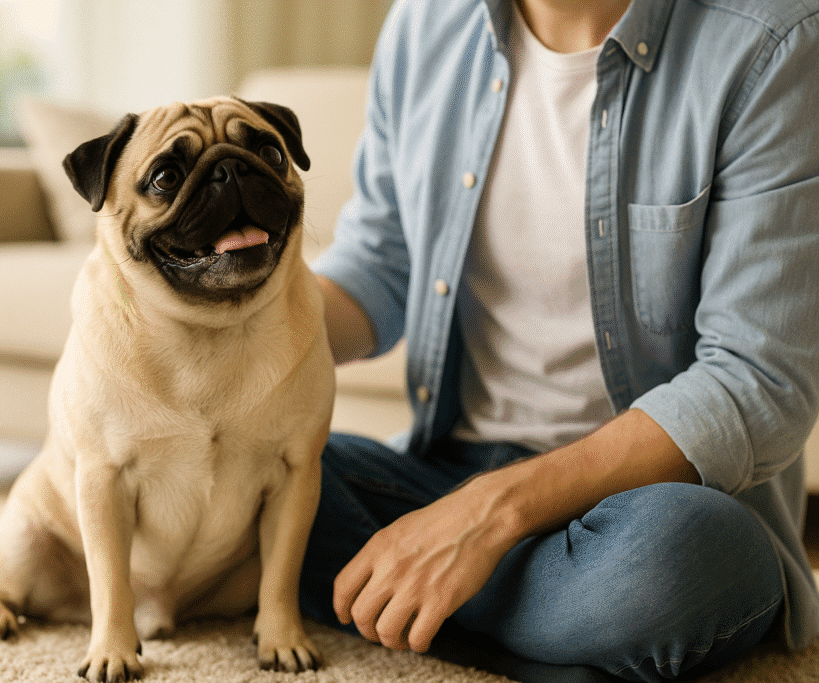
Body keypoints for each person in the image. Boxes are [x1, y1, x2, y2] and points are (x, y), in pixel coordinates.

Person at [298, 0, 819, 681]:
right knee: (250, 483)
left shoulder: (774, 39)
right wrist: (224, 324)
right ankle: (553, 645)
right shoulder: (425, 22)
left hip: (644, 508)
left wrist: (489, 515)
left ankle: (413, 606)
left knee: (682, 564)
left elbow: (757, 382)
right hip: (444, 475)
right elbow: (379, 264)